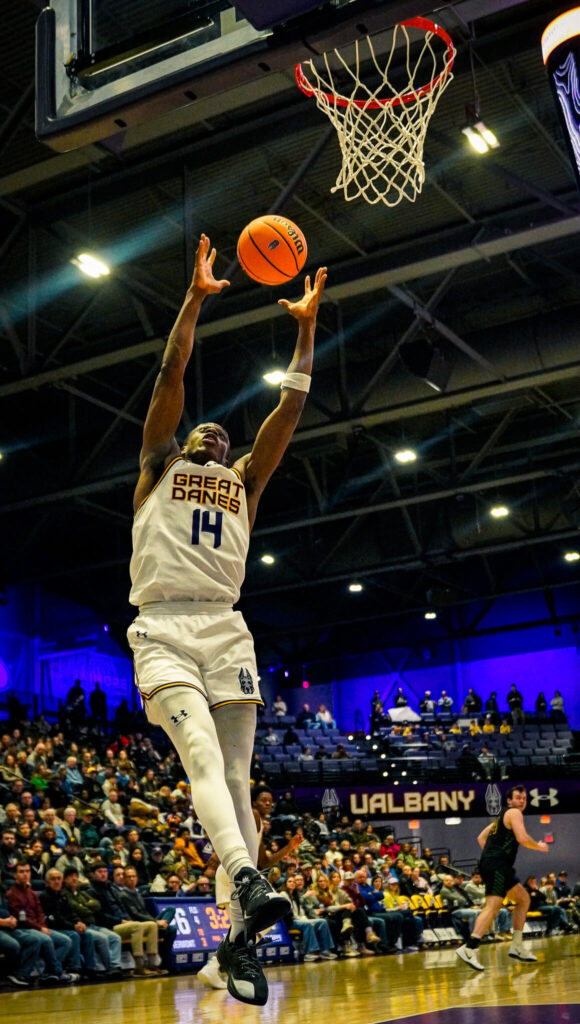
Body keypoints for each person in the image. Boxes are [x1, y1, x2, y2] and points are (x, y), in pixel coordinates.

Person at [126, 234, 326, 1007]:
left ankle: (235, 943)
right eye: (201, 429)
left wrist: (306, 327)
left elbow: (292, 406)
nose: (212, 432)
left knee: (240, 792)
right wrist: (196, 298)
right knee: (204, 761)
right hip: (164, 628)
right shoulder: (159, 466)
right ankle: (244, 880)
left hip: (226, 629)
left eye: (222, 433)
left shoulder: (245, 481)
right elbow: (172, 372)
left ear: (234, 454)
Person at [456, 785, 548, 971]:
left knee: (523, 899)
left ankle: (517, 945)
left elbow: (481, 838)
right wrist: (538, 846)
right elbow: (522, 838)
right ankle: (469, 948)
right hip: (497, 865)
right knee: (493, 906)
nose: (522, 801)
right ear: (509, 801)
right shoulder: (514, 813)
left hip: (497, 865)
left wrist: (492, 854)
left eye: (524, 798)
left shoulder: (500, 819)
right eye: (518, 797)